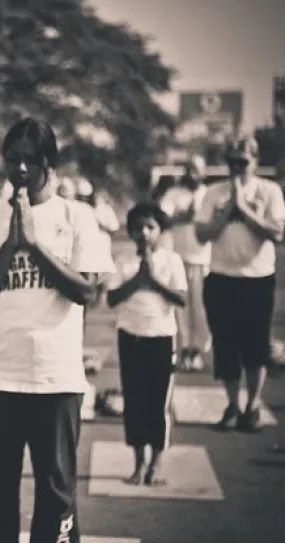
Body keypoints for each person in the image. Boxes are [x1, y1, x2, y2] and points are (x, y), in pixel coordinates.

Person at [0, 118, 113, 543]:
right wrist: (11, 245)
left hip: (54, 378)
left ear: (47, 163)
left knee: (57, 495)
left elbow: (86, 291)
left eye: (29, 160)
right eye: (13, 159)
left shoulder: (77, 217)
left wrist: (35, 247)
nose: (19, 169)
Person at [195, 136, 285, 433]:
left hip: (256, 278)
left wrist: (244, 209)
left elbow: (276, 232)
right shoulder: (213, 192)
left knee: (255, 346)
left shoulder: (268, 191)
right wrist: (228, 207)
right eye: (232, 162)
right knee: (226, 346)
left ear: (255, 162)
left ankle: (253, 405)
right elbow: (202, 234)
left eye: (243, 162)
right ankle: (232, 404)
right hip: (222, 277)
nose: (236, 168)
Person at [106, 202, 187, 487]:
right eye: (138, 227)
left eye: (150, 227)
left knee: (158, 404)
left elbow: (181, 298)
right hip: (131, 336)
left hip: (161, 338)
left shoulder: (171, 260)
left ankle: (156, 463)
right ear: (130, 231)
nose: (144, 233)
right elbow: (112, 298)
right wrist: (137, 279)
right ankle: (138, 463)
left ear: (160, 231)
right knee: (135, 401)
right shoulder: (123, 261)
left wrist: (152, 281)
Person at [159, 155, 212, 371]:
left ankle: (196, 351)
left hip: (203, 260)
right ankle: (183, 351)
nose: (192, 174)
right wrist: (186, 215)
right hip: (178, 259)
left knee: (201, 309)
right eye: (189, 169)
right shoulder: (174, 194)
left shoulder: (209, 194)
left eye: (196, 170)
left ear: (203, 173)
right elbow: (162, 219)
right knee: (180, 308)